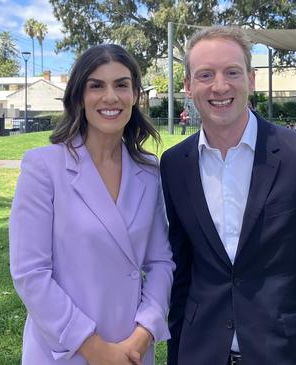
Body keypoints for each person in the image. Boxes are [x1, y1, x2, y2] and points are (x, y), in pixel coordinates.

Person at [160, 26, 296, 365]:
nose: (219, 86)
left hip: (288, 353)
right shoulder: (174, 165)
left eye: (232, 72)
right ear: (187, 86)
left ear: (251, 79)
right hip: (201, 353)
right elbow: (181, 277)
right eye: (205, 74)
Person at [9, 44, 175, 365]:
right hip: (65, 350)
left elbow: (161, 262)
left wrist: (144, 333)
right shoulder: (44, 167)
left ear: (135, 95)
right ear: (78, 97)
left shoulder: (148, 171)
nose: (110, 97)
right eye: (96, 85)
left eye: (121, 85)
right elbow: (30, 273)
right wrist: (95, 349)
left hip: (132, 351)